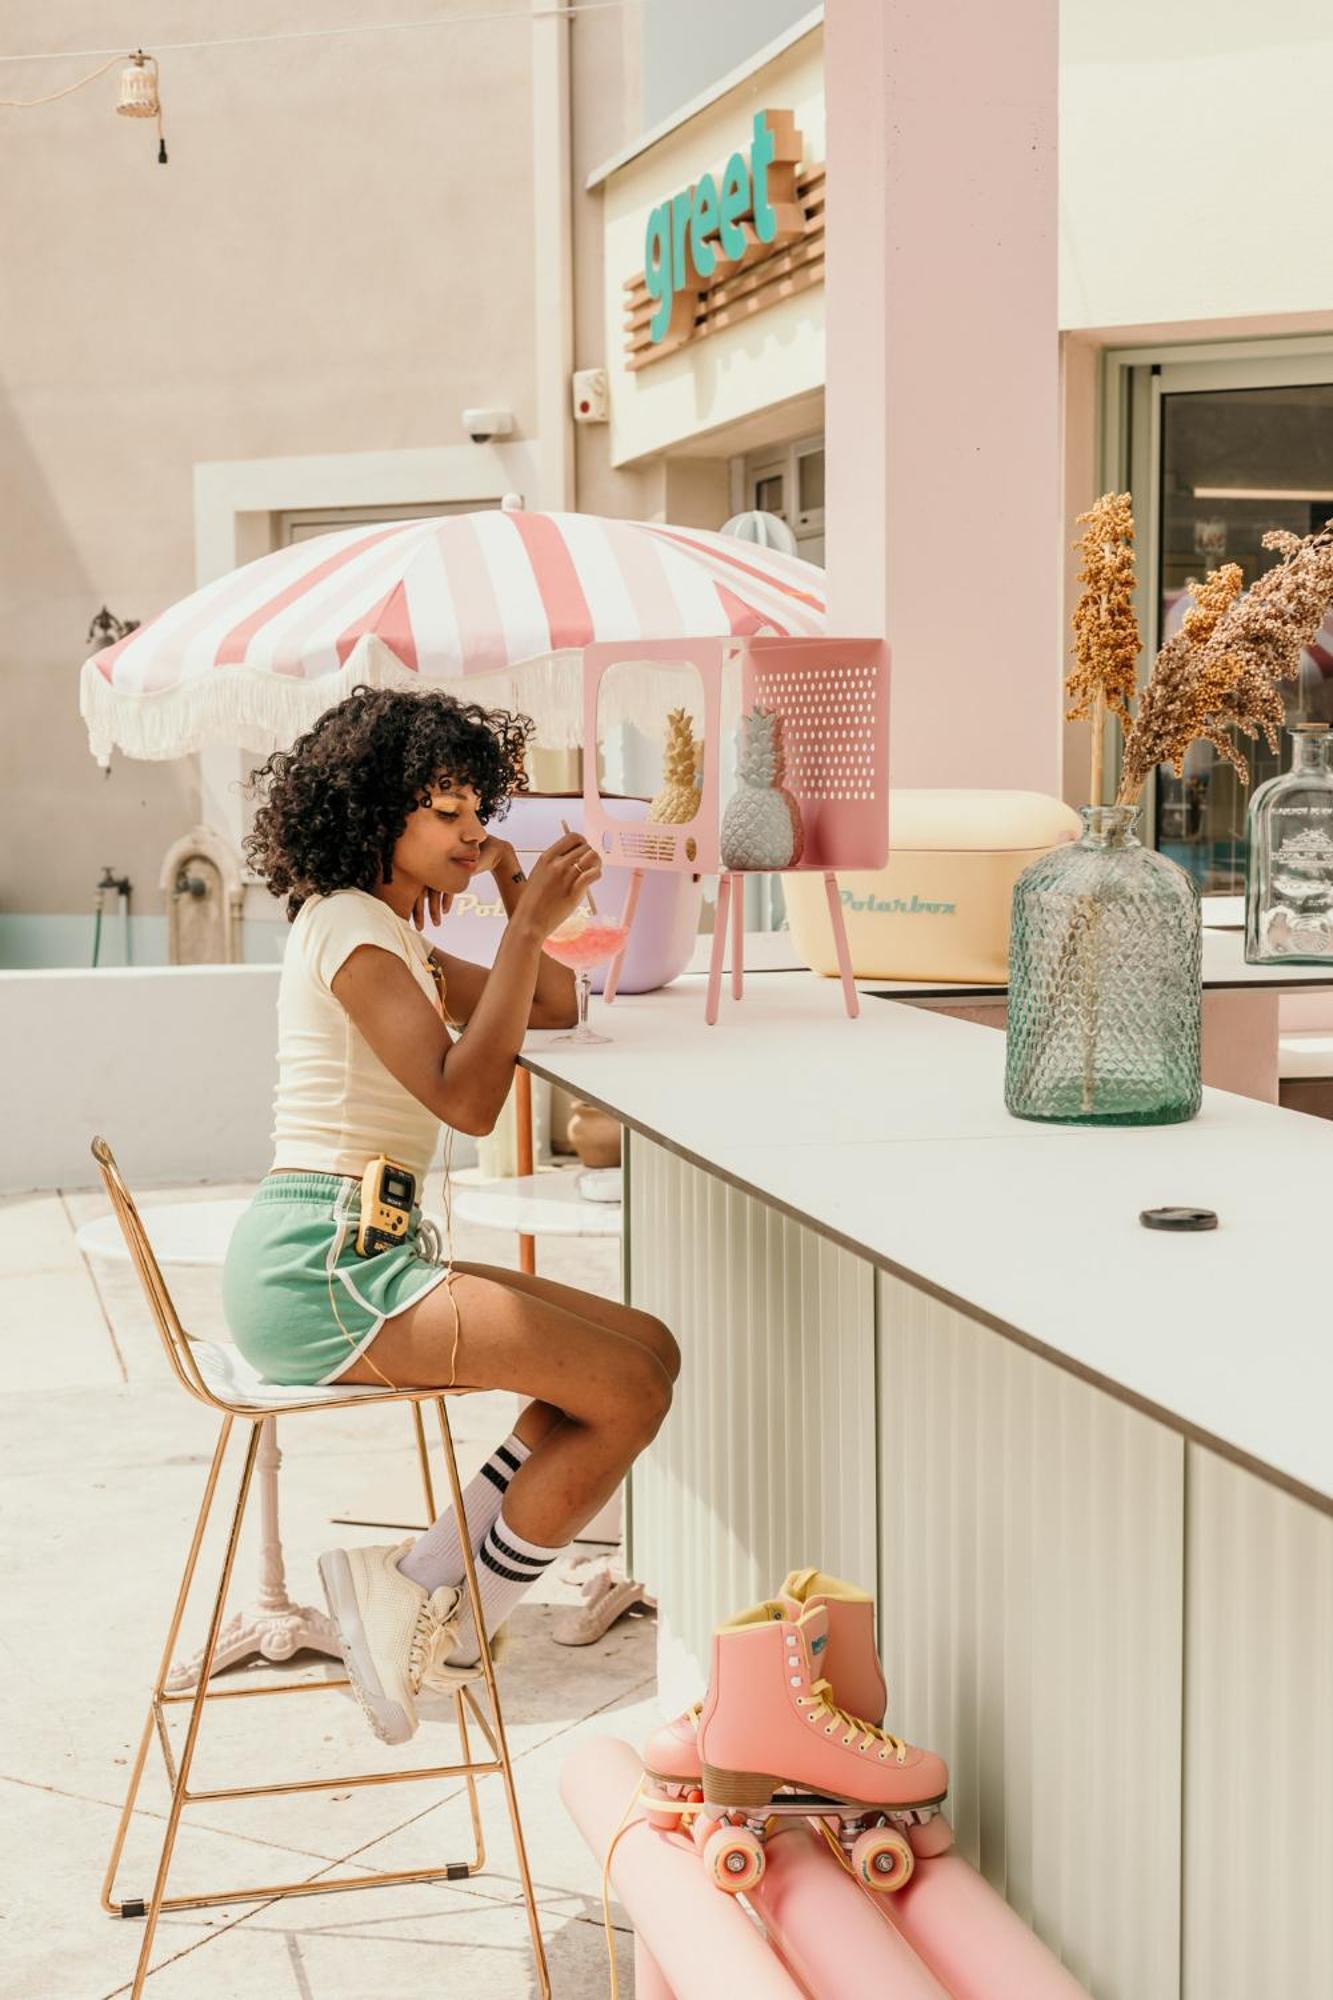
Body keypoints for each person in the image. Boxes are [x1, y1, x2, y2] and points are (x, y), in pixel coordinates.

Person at [222, 685, 679, 1745]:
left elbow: (556, 1004)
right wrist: (521, 925)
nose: (474, 833)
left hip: (366, 1252)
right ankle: (452, 1627)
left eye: (483, 811)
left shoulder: (399, 940)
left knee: (643, 1348)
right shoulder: (349, 930)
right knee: (622, 1386)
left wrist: (519, 894)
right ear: (375, 810)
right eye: (448, 812)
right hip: (320, 1267)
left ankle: (417, 1580)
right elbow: (467, 1098)